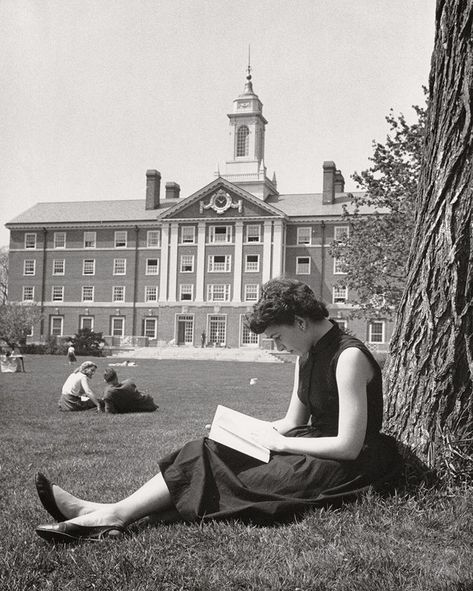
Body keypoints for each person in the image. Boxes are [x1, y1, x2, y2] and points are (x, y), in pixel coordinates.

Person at [35, 278, 402, 543]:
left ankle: (107, 515)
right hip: (311, 446)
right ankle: (111, 513)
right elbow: (291, 422)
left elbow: (349, 445)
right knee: (208, 448)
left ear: (301, 323)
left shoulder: (348, 356)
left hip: (348, 465)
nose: (279, 345)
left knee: (240, 480)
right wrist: (241, 431)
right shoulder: (305, 356)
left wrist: (284, 445)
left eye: (277, 337)